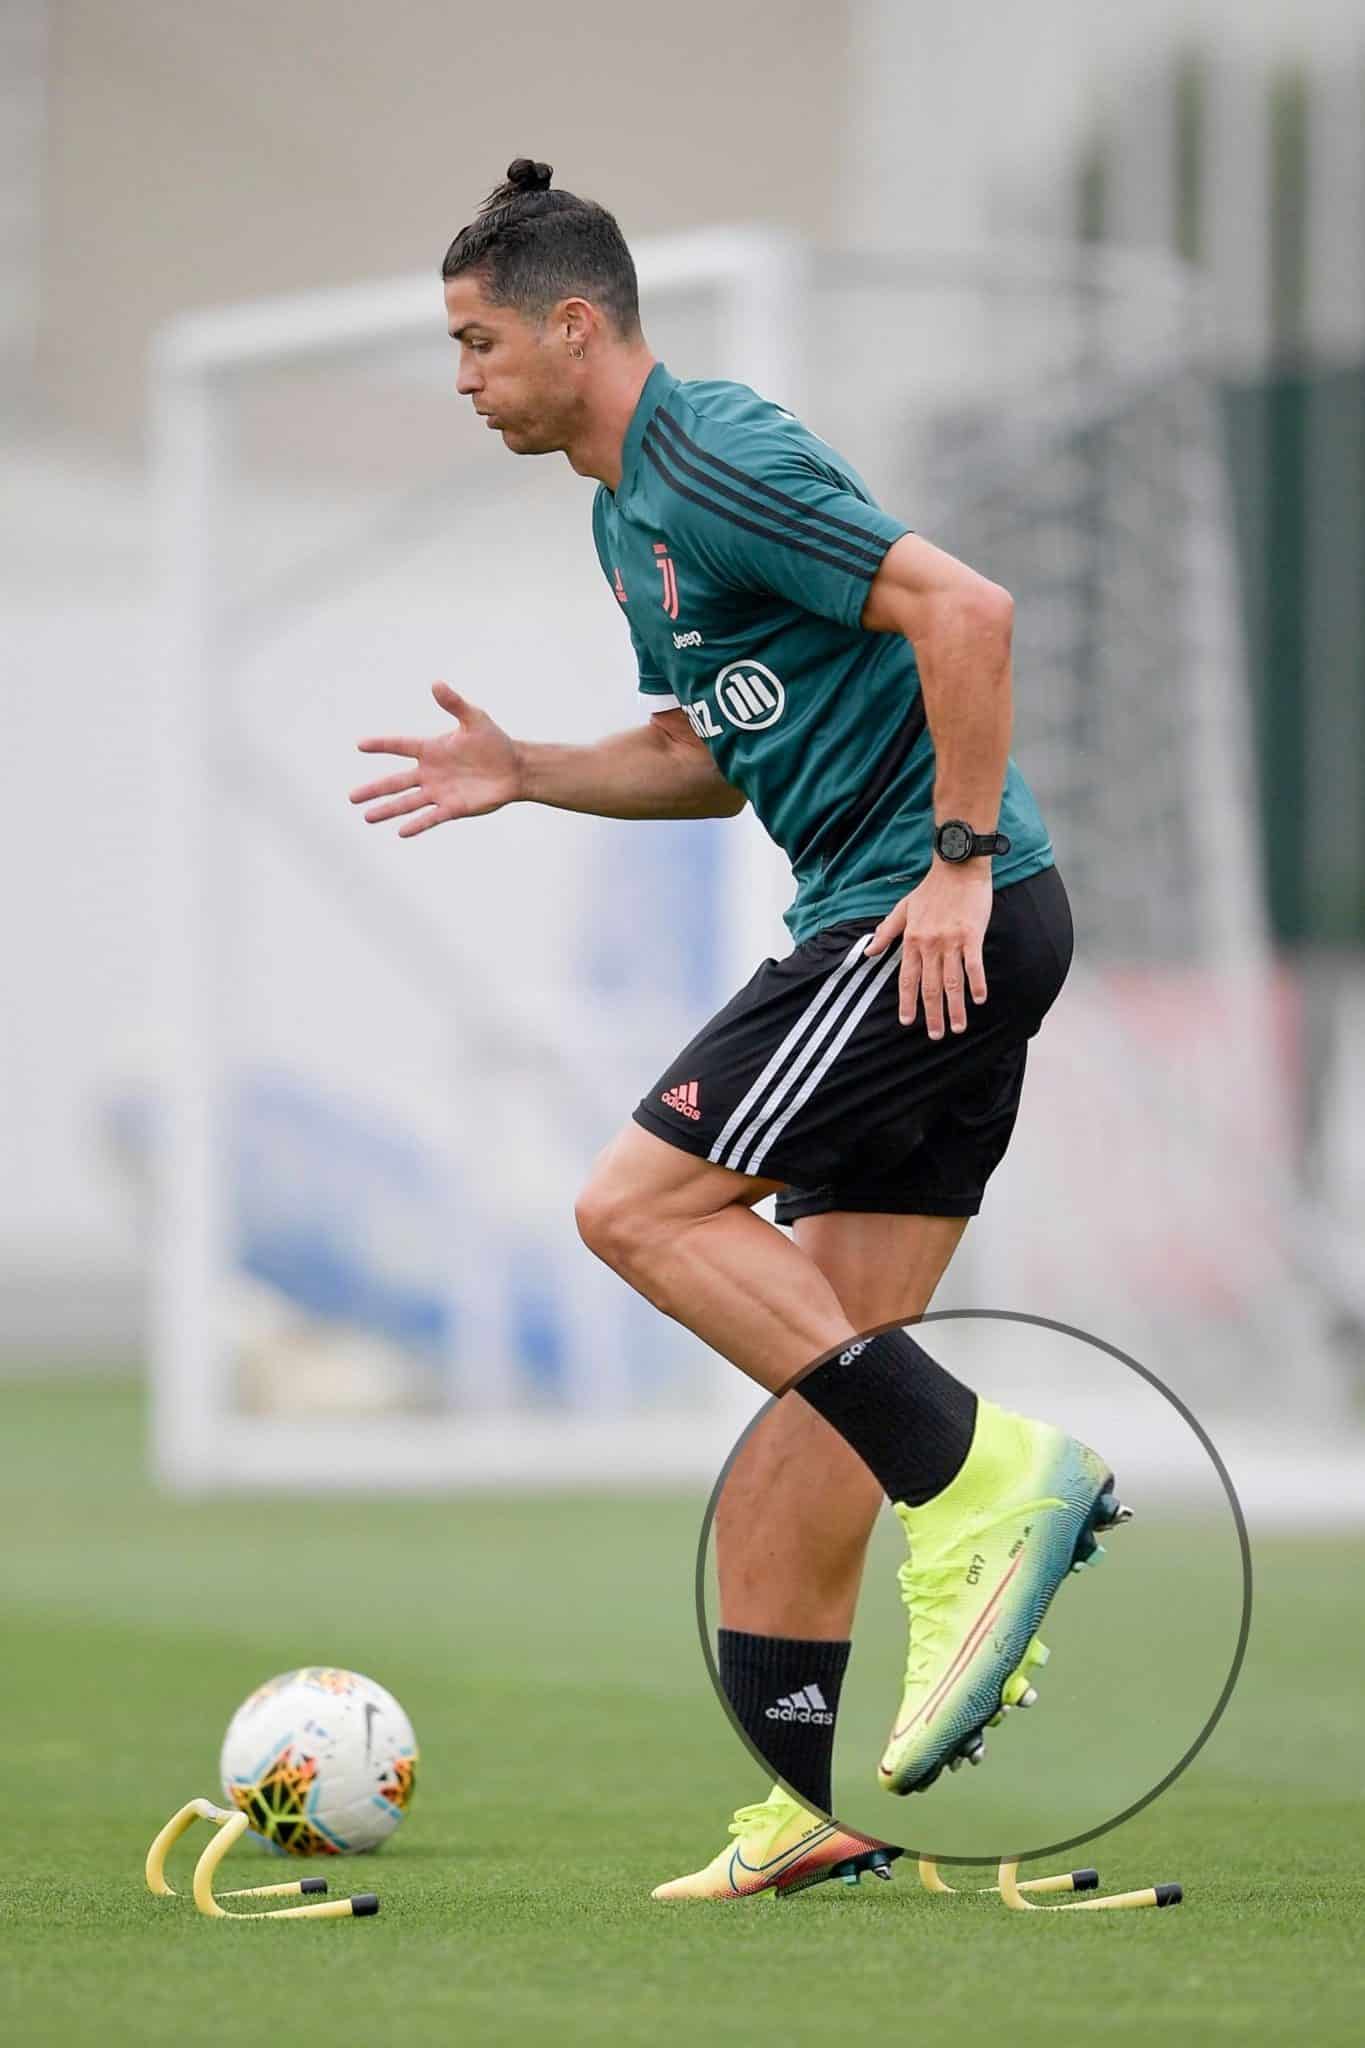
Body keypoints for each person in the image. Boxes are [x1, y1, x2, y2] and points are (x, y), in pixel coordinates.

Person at [351, 159, 1124, 1901]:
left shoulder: (712, 457)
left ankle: (992, 1475)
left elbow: (967, 609)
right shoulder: (624, 514)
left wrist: (952, 861)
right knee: (818, 1384)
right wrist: (528, 769)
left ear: (575, 325)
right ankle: (801, 1807)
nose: (462, 378)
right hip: (917, 928)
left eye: (476, 342)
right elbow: (713, 749)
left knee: (634, 1207)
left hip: (920, 922)